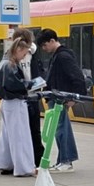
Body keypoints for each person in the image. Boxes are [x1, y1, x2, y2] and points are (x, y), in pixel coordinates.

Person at [36, 28, 87, 173]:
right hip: (57, 97)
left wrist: (74, 97)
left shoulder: (63, 56)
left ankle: (66, 161)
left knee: (61, 129)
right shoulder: (59, 55)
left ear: (52, 41)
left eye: (45, 45)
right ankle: (62, 160)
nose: (44, 49)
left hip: (60, 98)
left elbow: (77, 77)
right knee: (59, 129)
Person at [0, 36, 37, 177]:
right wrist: (30, 84)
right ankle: (24, 168)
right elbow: (16, 85)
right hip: (15, 102)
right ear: (18, 49)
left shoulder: (4, 63)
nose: (24, 57)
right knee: (20, 136)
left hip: (6, 103)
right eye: (24, 53)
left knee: (6, 136)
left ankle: (4, 164)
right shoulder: (10, 65)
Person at [11, 28, 45, 167]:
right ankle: (31, 160)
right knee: (29, 130)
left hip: (30, 95)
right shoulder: (13, 56)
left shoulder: (33, 53)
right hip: (24, 96)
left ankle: (35, 159)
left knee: (31, 130)